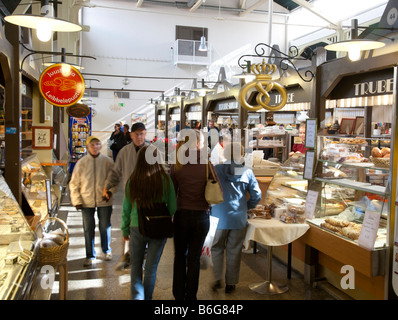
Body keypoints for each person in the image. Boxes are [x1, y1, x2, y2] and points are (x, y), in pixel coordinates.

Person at [121, 145, 177, 300]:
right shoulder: (165, 180)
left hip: (136, 226)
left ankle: (137, 297)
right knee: (151, 268)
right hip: (159, 228)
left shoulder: (132, 180)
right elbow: (173, 208)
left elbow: (126, 208)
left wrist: (125, 231)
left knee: (136, 267)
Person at [170, 129, 220, 300]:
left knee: (179, 257)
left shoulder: (177, 163)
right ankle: (191, 295)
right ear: (198, 143)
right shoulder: (207, 163)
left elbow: (172, 192)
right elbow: (216, 186)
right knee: (193, 258)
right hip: (201, 217)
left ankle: (178, 294)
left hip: (181, 215)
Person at [210, 142, 262, 293]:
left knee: (217, 248)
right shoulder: (247, 172)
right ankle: (231, 283)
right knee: (234, 249)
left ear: (225, 154)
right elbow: (256, 195)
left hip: (218, 216)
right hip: (238, 218)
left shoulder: (216, 170)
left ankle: (217, 278)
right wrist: (248, 206)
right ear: (241, 155)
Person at [103, 122, 149, 269]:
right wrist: (107, 186)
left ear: (145, 134)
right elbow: (116, 172)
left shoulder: (152, 151)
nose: (139, 137)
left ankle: (141, 258)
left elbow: (160, 172)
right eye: (136, 134)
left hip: (148, 197)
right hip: (130, 195)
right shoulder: (124, 152)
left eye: (142, 133)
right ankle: (126, 256)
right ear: (131, 135)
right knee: (128, 225)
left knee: (145, 227)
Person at [69, 136, 116, 267]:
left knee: (104, 226)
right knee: (88, 228)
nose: (95, 147)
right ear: (87, 147)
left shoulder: (108, 162)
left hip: (104, 200)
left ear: (100, 146)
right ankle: (90, 255)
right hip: (86, 200)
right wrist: (76, 200)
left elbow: (114, 179)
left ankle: (106, 250)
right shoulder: (81, 163)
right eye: (92, 145)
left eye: (97, 144)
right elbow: (74, 183)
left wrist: (110, 191)